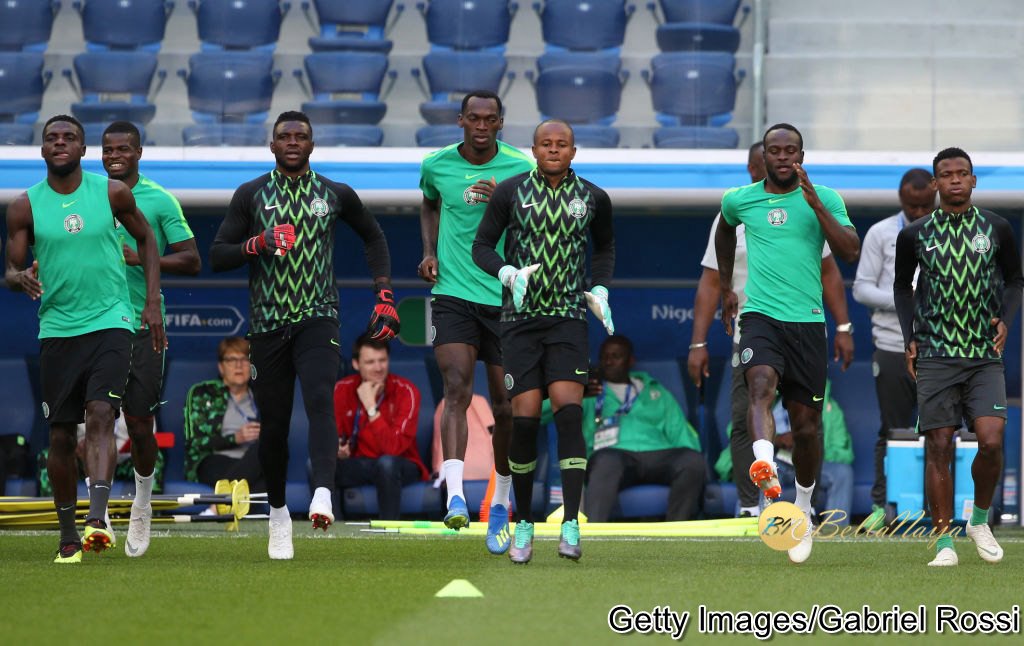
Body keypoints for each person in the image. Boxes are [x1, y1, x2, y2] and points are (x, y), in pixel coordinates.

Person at [210, 111, 399, 560]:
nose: (293, 141)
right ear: (272, 146)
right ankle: (278, 516)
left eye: (301, 136)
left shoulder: (333, 193)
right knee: (273, 427)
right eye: (284, 136)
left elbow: (374, 237)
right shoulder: (251, 194)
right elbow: (217, 255)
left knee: (319, 397)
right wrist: (257, 243)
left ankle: (321, 494)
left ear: (312, 145)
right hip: (269, 325)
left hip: (319, 317)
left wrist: (384, 293)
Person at [4, 115, 164, 564]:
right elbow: (11, 270)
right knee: (59, 435)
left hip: (112, 320)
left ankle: (97, 520)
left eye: (69, 137)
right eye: (52, 138)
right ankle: (69, 535)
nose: (60, 143)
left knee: (100, 413)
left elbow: (148, 241)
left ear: (82, 148)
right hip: (57, 329)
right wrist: (21, 278)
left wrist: (151, 303)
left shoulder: (111, 193)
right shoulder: (24, 207)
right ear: (42, 150)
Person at [715, 123, 860, 564]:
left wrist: (816, 206)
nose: (782, 157)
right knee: (760, 386)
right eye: (774, 150)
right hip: (760, 316)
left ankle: (802, 505)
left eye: (790, 150)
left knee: (806, 427)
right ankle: (765, 463)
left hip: (808, 323)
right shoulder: (740, 199)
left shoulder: (827, 198)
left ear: (801, 154)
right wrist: (727, 288)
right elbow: (724, 230)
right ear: (765, 155)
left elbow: (850, 250)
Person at [473, 119, 615, 564]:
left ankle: (571, 522)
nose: (554, 149)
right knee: (526, 420)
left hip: (569, 319)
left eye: (563, 144)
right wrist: (506, 273)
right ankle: (525, 524)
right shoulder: (510, 192)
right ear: (532, 149)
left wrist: (601, 289)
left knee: (570, 414)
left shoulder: (593, 197)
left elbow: (605, 249)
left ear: (574, 151)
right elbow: (482, 246)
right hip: (519, 320)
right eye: (546, 143)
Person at [417, 90, 535, 553]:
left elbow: (533, 225)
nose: (482, 125)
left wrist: (504, 210)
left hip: (505, 298)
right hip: (452, 294)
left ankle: (501, 499)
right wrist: (429, 252)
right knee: (456, 390)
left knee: (505, 406)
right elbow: (429, 204)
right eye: (474, 118)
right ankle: (456, 496)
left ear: (501, 123)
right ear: (461, 120)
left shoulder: (520, 168)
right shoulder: (437, 165)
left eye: (490, 119)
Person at [894, 147, 1022, 567]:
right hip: (935, 352)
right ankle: (943, 541)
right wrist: (909, 336)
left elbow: (1015, 280)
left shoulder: (997, 227)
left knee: (990, 440)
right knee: (939, 445)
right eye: (945, 174)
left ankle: (979, 521)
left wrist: (1004, 319)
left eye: (961, 173)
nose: (954, 180)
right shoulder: (915, 234)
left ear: (973, 180)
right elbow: (901, 288)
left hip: (983, 354)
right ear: (934, 183)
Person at [101, 120, 201, 557]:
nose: (115, 155)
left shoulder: (159, 200)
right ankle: (98, 512)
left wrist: (144, 258)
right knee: (96, 419)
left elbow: (192, 260)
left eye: (124, 148)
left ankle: (141, 502)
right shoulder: (85, 196)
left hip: (143, 327)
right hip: (95, 325)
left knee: (140, 424)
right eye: (108, 149)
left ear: (139, 152)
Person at [852, 168, 935, 530]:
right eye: (911, 205)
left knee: (942, 429)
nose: (917, 212)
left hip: (942, 347)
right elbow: (861, 289)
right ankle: (882, 507)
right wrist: (905, 301)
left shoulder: (949, 231)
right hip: (891, 345)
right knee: (893, 429)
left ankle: (938, 508)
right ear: (901, 199)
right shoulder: (881, 233)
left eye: (923, 205)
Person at [579, 334, 705, 522]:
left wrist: (695, 462)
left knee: (693, 460)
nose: (608, 361)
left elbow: (680, 432)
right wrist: (577, 391)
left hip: (657, 455)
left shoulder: (656, 391)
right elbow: (545, 412)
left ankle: (676, 535)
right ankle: (593, 536)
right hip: (613, 456)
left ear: (631, 361)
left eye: (616, 356)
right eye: (604, 356)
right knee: (605, 461)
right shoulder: (590, 391)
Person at [333, 334, 429, 519]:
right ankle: (335, 532)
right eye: (370, 362)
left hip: (401, 464)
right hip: (360, 463)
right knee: (319, 465)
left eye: (382, 360)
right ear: (355, 364)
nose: (378, 368)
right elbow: (335, 436)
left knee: (386, 464)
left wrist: (370, 407)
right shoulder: (341, 389)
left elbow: (393, 449)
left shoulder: (406, 391)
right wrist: (337, 448)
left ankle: (389, 531)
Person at [183, 337, 265, 492]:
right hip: (215, 461)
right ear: (221, 367)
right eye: (231, 360)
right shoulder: (203, 393)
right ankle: (232, 497)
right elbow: (194, 442)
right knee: (258, 488)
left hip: (254, 461)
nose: (239, 365)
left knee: (266, 448)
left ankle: (219, 504)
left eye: (244, 359)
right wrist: (235, 438)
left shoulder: (262, 395)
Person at [770, 380, 854, 526]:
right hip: (780, 462)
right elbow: (741, 432)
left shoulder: (831, 410)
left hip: (813, 465)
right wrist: (776, 439)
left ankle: (834, 529)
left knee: (843, 473)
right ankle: (763, 522)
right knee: (763, 469)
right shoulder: (767, 403)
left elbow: (845, 454)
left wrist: (809, 447)